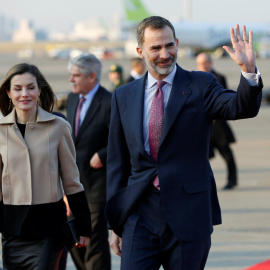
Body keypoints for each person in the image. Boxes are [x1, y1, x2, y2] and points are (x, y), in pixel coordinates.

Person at [105, 16, 263, 270]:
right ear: (140, 51)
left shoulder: (201, 84)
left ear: (177, 43)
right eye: (155, 48)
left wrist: (248, 71)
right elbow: (117, 162)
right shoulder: (124, 95)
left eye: (169, 45)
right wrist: (115, 223)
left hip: (189, 214)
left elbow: (239, 107)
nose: (164, 54)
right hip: (138, 215)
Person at [0, 63, 92, 269]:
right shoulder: (0, 131)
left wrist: (84, 226)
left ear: (40, 90)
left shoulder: (58, 127)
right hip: (12, 232)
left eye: (31, 87)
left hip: (49, 230)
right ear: (8, 92)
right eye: (17, 88)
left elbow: (72, 181)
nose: (25, 94)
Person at [66, 53, 111, 270]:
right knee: (73, 240)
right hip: (73, 186)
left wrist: (103, 154)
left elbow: (123, 142)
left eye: (75, 75)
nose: (71, 80)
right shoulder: (73, 98)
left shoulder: (110, 102)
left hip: (96, 188)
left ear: (92, 76)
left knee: (94, 244)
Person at [196, 52, 238, 190]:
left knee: (226, 153)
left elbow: (222, 100)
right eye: (200, 64)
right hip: (202, 126)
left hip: (218, 125)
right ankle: (201, 183)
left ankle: (232, 180)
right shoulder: (195, 79)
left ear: (210, 63)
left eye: (204, 63)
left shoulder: (219, 77)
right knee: (201, 156)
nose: (202, 66)